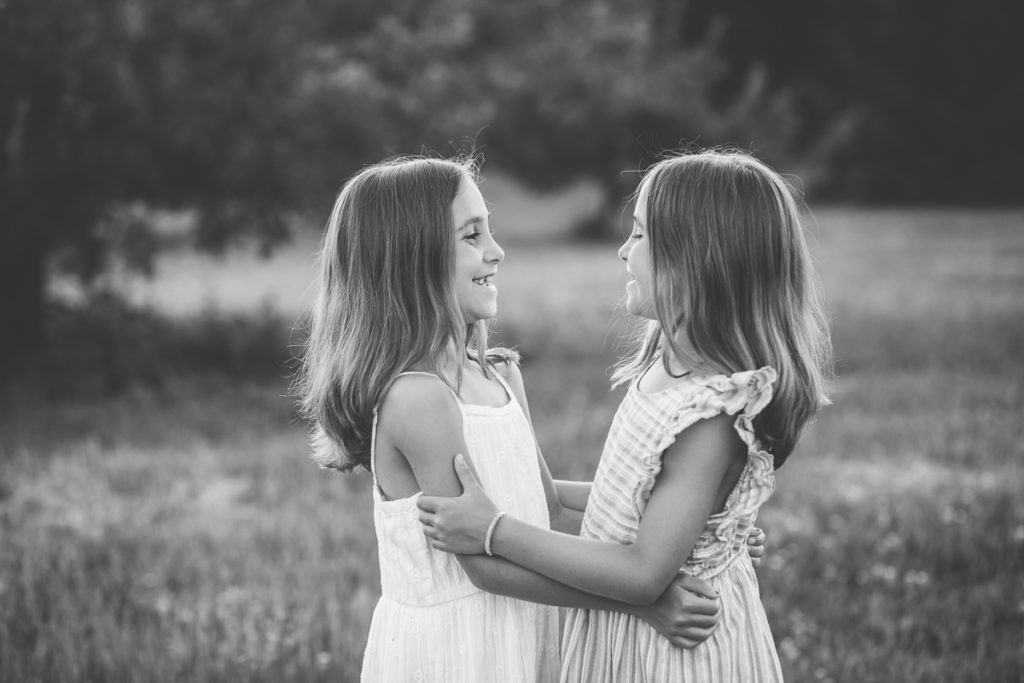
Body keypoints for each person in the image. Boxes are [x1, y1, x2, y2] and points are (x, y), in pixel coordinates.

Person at [296, 156, 766, 682]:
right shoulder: (419, 400)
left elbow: (542, 502)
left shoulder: (497, 377)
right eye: (473, 236)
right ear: (409, 260)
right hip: (459, 652)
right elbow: (481, 564)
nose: (497, 251)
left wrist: (692, 520)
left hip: (522, 630)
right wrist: (640, 603)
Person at [418, 149, 832, 682]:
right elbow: (627, 500)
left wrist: (494, 530)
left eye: (638, 236)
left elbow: (641, 574)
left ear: (696, 260)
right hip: (632, 636)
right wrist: (530, 487)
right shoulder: (670, 371)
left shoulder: (709, 412)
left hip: (674, 652)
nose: (622, 250)